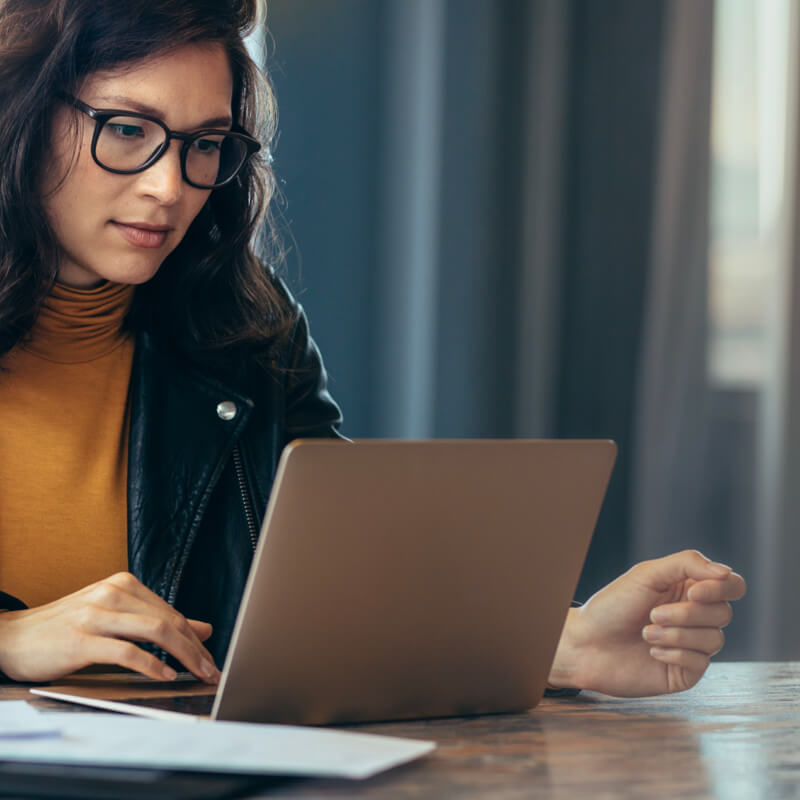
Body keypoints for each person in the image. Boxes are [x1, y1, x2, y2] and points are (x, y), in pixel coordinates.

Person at [0, 0, 745, 697]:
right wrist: (8, 638)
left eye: (204, 145)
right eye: (128, 129)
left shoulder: (243, 331)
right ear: (22, 114)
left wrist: (566, 642)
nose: (169, 186)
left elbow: (341, 584)